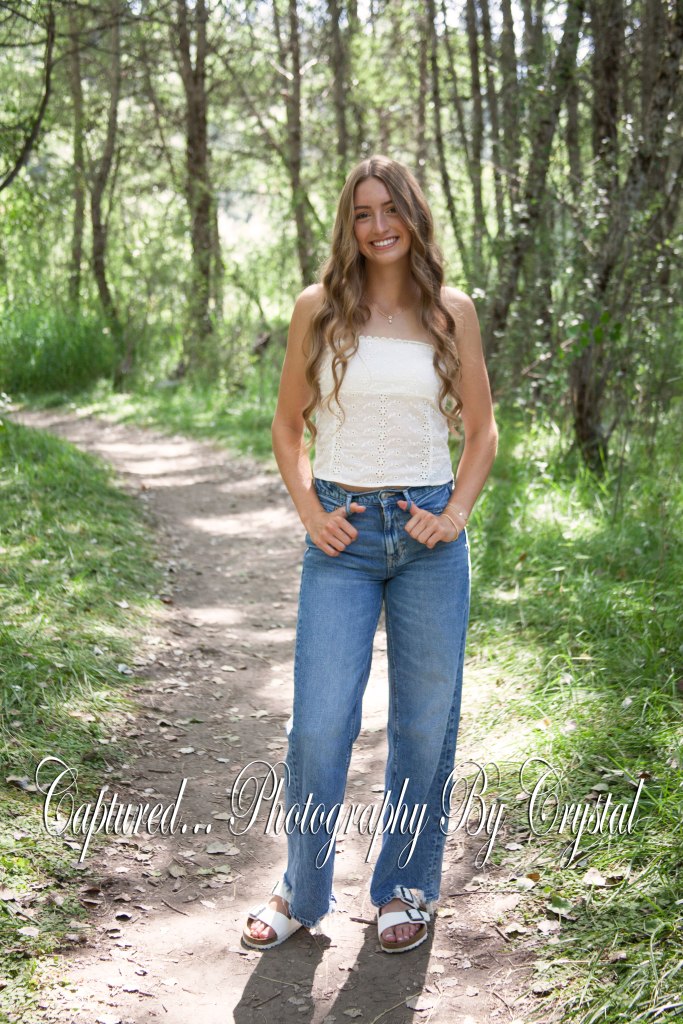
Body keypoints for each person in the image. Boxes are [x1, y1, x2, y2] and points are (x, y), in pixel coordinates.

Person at [242, 154, 498, 954]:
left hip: (427, 537)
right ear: (347, 225)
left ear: (413, 217)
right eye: (362, 213)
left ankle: (404, 889)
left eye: (390, 210)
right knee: (319, 725)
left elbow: (482, 431)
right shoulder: (317, 308)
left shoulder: (451, 311)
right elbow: (288, 425)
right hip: (344, 535)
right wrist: (309, 511)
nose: (378, 226)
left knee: (423, 725)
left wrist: (454, 514)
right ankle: (301, 889)